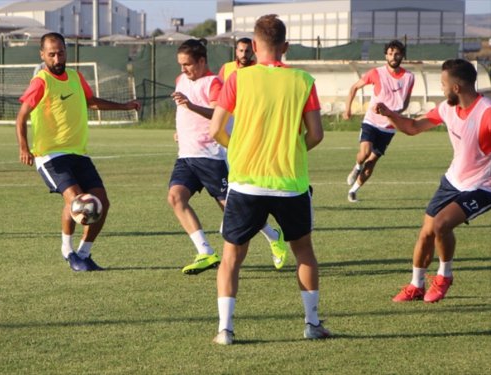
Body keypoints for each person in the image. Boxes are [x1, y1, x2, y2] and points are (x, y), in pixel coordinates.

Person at [209, 14, 328, 345]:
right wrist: (293, 150)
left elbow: (215, 129)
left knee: (232, 256)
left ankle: (226, 330)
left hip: (246, 182)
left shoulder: (238, 79)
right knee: (303, 252)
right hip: (290, 182)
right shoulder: (303, 81)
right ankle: (312, 323)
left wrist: (242, 148)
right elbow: (316, 134)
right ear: (286, 46)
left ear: (255, 45)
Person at [15, 32, 140, 272]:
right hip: (50, 156)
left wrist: (123, 106)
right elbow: (21, 117)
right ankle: (67, 250)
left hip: (79, 153)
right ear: (42, 55)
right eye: (51, 54)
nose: (56, 57)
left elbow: (91, 101)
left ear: (65, 51)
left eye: (60, 52)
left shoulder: (75, 77)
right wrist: (24, 147)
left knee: (102, 203)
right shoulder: (41, 81)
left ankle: (84, 254)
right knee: (76, 200)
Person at [375, 59, 491, 303]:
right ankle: (416, 285)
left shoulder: (486, 113)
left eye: (443, 84)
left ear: (456, 88)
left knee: (440, 225)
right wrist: (389, 114)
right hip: (452, 181)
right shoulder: (447, 108)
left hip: (482, 187)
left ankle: (444, 277)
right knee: (426, 234)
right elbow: (413, 127)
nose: (441, 88)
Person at [168, 39, 285, 275]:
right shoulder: (181, 80)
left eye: (188, 64)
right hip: (187, 155)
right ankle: (205, 252)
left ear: (202, 61)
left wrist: (191, 106)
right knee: (175, 198)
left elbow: (219, 113)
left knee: (233, 210)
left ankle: (274, 235)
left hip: (213, 156)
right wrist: (179, 129)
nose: (183, 69)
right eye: (181, 64)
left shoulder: (214, 83)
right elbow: (183, 110)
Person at [218, 37, 288, 269]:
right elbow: (215, 102)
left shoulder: (261, 72)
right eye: (240, 49)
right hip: (229, 140)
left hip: (254, 141)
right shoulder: (227, 70)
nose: (244, 53)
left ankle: (267, 236)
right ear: (235, 51)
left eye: (248, 49)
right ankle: (270, 234)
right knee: (237, 199)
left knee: (242, 199)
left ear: (254, 51)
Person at [342, 40, 414, 202]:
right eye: (390, 53)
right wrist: (348, 109)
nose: (393, 57)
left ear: (402, 55)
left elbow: (404, 104)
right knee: (364, 153)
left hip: (389, 127)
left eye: (397, 54)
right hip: (372, 122)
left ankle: (353, 191)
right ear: (385, 55)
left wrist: (394, 114)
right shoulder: (376, 73)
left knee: (372, 162)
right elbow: (354, 87)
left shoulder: (409, 77)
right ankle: (357, 167)